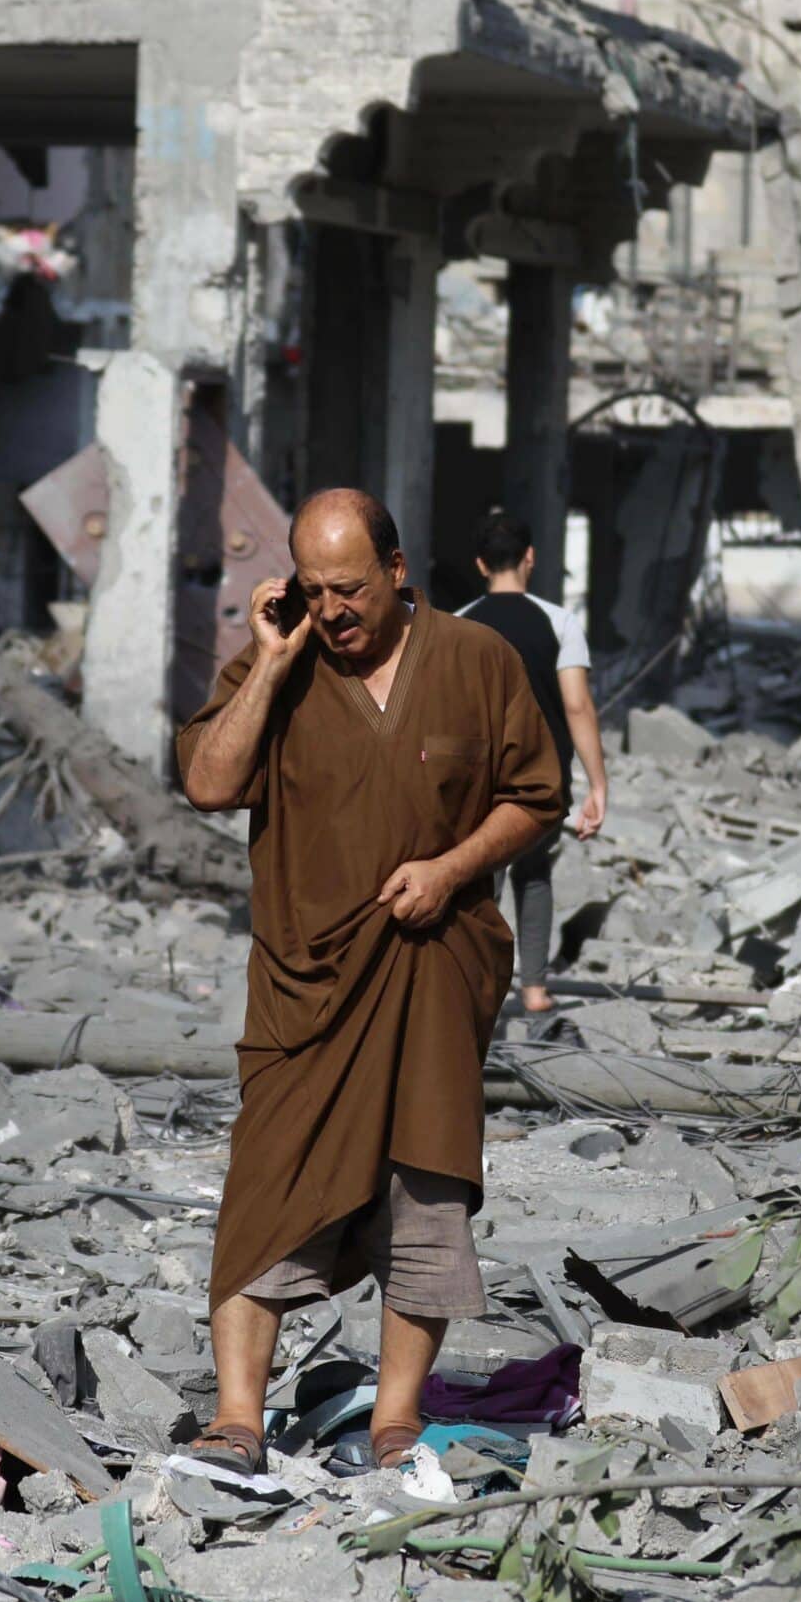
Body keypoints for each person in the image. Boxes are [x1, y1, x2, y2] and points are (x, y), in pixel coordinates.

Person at [173, 489, 563, 1475]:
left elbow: (536, 795)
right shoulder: (286, 666)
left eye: (348, 588)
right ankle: (236, 1419)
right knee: (266, 1189)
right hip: (306, 984)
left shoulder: (477, 662)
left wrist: (451, 869)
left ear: (397, 569)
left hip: (434, 976)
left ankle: (395, 1422)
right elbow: (212, 782)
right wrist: (269, 660)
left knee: (425, 1196)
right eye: (313, 590)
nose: (332, 608)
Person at [455, 509, 609, 1018]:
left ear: (480, 564)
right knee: (535, 871)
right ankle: (536, 990)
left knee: (483, 883)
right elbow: (577, 706)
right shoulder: (558, 621)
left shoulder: (458, 625)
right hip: (543, 777)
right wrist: (597, 785)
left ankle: (478, 992)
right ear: (530, 558)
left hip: (478, 779)